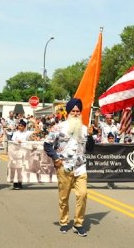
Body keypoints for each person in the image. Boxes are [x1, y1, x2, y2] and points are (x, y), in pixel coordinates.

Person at [43, 98, 95, 237]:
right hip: (64, 167)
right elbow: (47, 144)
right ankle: (64, 222)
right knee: (64, 197)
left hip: (80, 168)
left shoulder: (85, 129)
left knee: (82, 194)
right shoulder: (58, 127)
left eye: (78, 111)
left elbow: (90, 149)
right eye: (74, 111)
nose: (76, 113)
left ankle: (78, 224)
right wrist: (56, 158)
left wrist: (90, 136)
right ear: (68, 112)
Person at [10, 119, 33, 190]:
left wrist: (34, 122)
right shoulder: (16, 133)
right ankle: (15, 183)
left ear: (24, 127)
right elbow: (13, 140)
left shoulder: (27, 133)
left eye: (21, 126)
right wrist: (17, 141)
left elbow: (37, 131)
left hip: (24, 152)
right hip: (16, 152)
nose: (20, 127)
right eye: (19, 125)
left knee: (21, 168)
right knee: (16, 167)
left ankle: (20, 183)